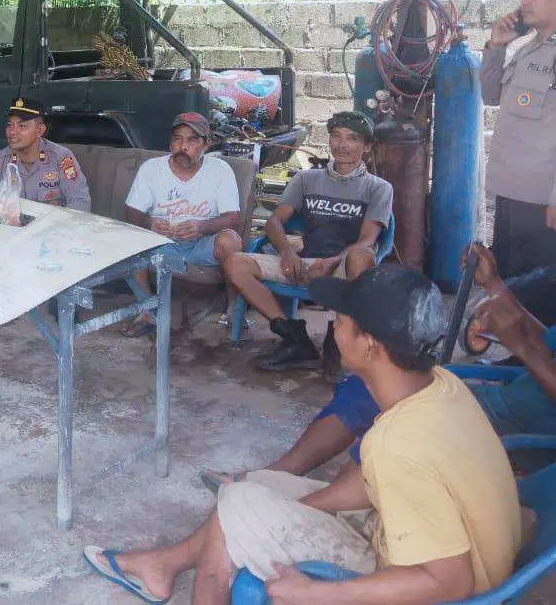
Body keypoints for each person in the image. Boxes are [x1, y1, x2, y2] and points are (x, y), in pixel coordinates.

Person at [84, 264, 522, 605]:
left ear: (369, 342)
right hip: (416, 537)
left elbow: (451, 581)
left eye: (342, 319)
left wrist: (319, 593)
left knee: (239, 503)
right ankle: (168, 568)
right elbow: (371, 481)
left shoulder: (398, 443)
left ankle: (181, 575)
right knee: (252, 489)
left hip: (429, 581)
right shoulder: (438, 385)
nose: (333, 323)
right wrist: (293, 506)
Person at [215, 245, 556, 487]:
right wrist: (494, 285)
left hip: (525, 434)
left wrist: (522, 345)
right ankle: (281, 476)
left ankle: (317, 493)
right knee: (370, 387)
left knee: (393, 412)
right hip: (503, 402)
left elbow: (536, 350)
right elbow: (549, 343)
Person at [222, 110, 393, 371]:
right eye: (336, 136)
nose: (342, 145)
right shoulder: (306, 179)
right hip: (302, 261)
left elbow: (367, 241)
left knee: (361, 256)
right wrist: (288, 252)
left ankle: (338, 339)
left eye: (353, 139)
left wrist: (332, 262)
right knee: (235, 263)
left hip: (343, 266)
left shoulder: (378, 188)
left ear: (367, 146)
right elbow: (274, 222)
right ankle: (294, 336)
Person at [121, 112, 242, 335]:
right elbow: (132, 212)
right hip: (164, 244)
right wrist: (150, 222)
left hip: (202, 243)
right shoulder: (151, 168)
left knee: (231, 241)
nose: (182, 146)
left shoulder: (220, 171)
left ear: (206, 144)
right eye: (177, 139)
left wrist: (201, 227)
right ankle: (147, 311)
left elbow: (233, 219)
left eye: (192, 140)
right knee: (132, 238)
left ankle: (234, 308)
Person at [482, 0, 556, 300]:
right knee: (510, 289)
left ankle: (535, 353)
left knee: (538, 298)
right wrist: (496, 46)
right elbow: (490, 95)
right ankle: (515, 352)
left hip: (542, 201)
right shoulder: (528, 47)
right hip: (511, 194)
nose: (525, 1)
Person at [0, 97, 90, 212]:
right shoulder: (1, 160)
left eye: (22, 126)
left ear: (40, 130)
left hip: (53, 227)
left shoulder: (60, 157)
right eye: (10, 125)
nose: (12, 132)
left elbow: (80, 202)